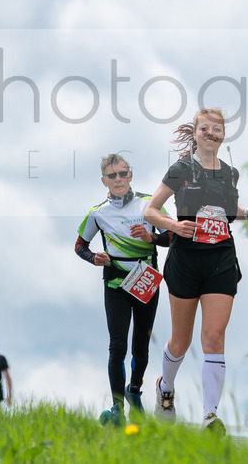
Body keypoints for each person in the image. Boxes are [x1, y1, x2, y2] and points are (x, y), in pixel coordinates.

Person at [143, 108, 248, 431]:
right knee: (180, 342)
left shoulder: (230, 174)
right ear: (195, 132)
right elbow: (150, 211)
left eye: (217, 129)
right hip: (186, 259)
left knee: (213, 335)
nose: (212, 134)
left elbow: (228, 208)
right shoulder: (182, 168)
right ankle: (165, 389)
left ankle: (210, 416)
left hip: (221, 259)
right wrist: (174, 225)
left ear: (223, 135)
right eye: (205, 129)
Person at [76, 153, 165, 425]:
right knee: (117, 346)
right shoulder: (97, 213)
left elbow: (174, 237)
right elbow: (80, 246)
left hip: (146, 280)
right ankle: (117, 408)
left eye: (122, 173)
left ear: (131, 176)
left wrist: (152, 237)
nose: (118, 179)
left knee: (141, 346)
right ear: (104, 180)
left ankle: (134, 391)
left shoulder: (149, 204)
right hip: (115, 283)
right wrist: (94, 258)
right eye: (112, 175)